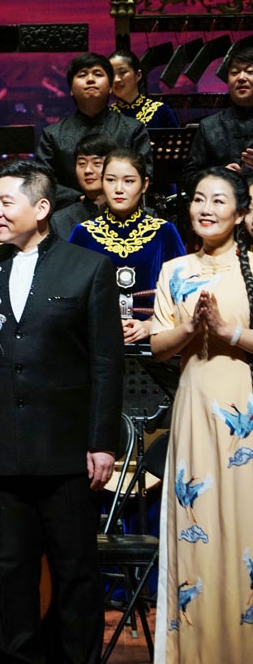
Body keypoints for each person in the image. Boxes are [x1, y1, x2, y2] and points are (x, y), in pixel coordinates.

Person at [0, 158, 124, 663]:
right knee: (12, 571)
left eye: (7, 202)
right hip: (2, 448)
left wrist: (102, 442)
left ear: (42, 208)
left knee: (76, 572)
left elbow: (106, 365)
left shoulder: (88, 268)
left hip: (68, 452)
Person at [149, 167, 253, 663]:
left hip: (245, 410)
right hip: (194, 409)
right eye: (197, 199)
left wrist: (228, 331)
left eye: (218, 200)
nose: (205, 209)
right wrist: (192, 327)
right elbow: (158, 346)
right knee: (199, 527)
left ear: (241, 212)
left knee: (244, 527)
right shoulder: (174, 269)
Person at [69, 147, 186, 343]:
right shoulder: (83, 233)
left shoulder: (164, 232)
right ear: (102, 182)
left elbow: (182, 292)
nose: (119, 189)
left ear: (144, 184)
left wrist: (150, 325)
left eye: (129, 181)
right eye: (110, 180)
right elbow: (70, 296)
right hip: (96, 341)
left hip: (154, 341)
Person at [36, 52, 152, 208]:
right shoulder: (53, 134)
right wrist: (80, 199)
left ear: (110, 87)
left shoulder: (133, 129)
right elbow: (42, 181)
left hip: (123, 212)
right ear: (71, 89)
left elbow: (145, 173)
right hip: (70, 213)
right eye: (82, 75)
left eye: (98, 74)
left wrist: (111, 196)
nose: (90, 79)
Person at [181, 44, 253, 192]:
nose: (241, 78)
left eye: (250, 72)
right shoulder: (209, 126)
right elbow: (188, 178)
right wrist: (218, 176)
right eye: (234, 73)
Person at [49, 133, 115, 239]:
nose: (88, 170)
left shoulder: (134, 215)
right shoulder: (59, 221)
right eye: (82, 163)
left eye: (97, 163)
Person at [109, 49, 180, 128]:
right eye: (111, 74)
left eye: (122, 72)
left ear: (138, 75)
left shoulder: (160, 111)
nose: (116, 80)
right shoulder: (106, 116)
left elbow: (178, 136)